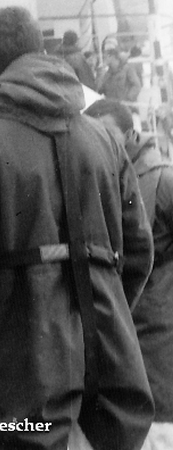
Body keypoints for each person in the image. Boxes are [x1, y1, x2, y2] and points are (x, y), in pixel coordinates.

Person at [0, 7, 154, 450]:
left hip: (20, 389)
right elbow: (138, 251)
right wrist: (104, 317)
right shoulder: (105, 140)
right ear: (43, 50)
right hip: (113, 386)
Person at [85, 99, 173, 449]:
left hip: (158, 341)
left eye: (109, 136)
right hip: (127, 338)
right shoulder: (105, 180)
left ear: (132, 136)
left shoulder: (163, 179)